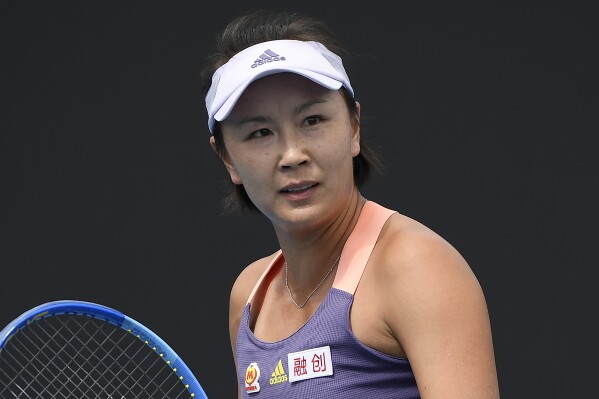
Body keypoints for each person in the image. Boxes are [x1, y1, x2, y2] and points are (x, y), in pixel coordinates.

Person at [201, 10, 499, 398]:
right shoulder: (249, 297)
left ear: (354, 127)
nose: (292, 154)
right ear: (227, 158)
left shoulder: (417, 268)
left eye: (312, 120)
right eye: (260, 132)